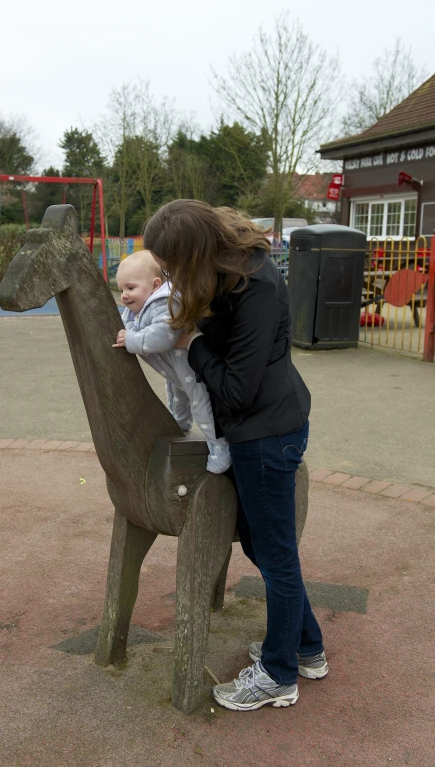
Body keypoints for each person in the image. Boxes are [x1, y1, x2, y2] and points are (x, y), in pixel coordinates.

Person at [142, 200, 328, 712]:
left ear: (195, 251)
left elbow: (236, 390)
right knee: (263, 548)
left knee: (275, 555)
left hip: (265, 433)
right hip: (258, 429)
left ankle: (277, 674)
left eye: (172, 265)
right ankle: (306, 647)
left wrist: (193, 343)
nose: (171, 276)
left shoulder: (256, 288)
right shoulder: (230, 272)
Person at [113, 250, 231, 475]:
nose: (124, 296)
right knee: (176, 395)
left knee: (202, 405)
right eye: (121, 290)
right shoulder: (135, 309)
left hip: (191, 367)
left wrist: (131, 340)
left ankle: (220, 448)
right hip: (173, 370)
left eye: (130, 288)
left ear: (155, 284)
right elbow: (125, 324)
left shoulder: (166, 303)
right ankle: (180, 423)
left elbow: (162, 337)